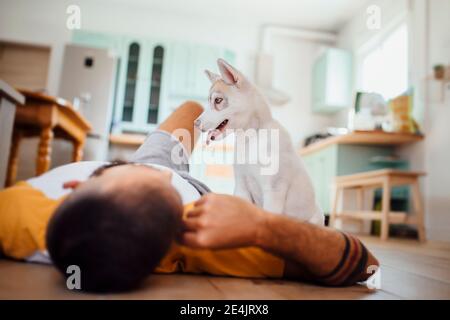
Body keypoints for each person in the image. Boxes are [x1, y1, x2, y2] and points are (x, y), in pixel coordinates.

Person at [0, 101, 379, 292]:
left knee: (193, 111)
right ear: (178, 226)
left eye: (145, 177)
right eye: (162, 185)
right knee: (195, 117)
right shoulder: (201, 238)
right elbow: (365, 266)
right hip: (176, 182)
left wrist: (140, 168)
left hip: (142, 163)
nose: (161, 174)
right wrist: (263, 226)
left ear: (74, 187)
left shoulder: (19, 212)